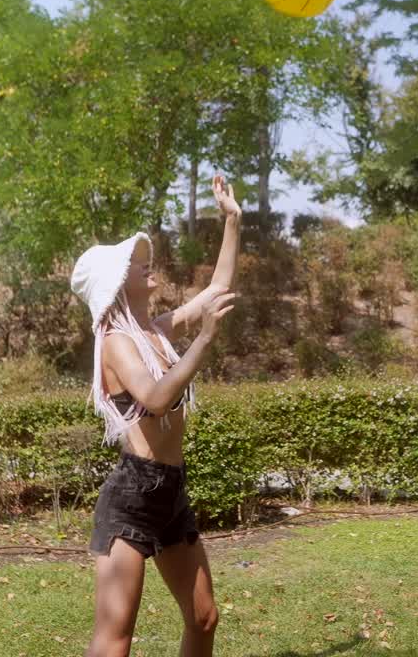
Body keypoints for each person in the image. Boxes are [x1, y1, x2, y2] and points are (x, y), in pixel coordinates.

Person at [72, 174, 242, 657]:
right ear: (114, 284)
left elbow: (217, 288)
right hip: (132, 496)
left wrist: (232, 221)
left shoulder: (157, 332)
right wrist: (203, 339)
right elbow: (156, 398)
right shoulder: (117, 342)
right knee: (115, 639)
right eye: (134, 262)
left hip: (169, 490)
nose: (146, 264)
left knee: (204, 617)